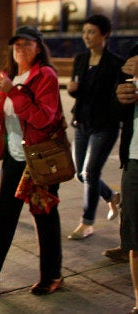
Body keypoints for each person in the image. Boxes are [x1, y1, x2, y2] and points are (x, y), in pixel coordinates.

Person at [0, 26, 64, 295]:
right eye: (16, 44)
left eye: (27, 44)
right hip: (13, 156)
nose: (20, 48)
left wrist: (13, 92)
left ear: (39, 47)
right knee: (1, 216)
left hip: (39, 158)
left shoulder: (45, 76)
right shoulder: (8, 76)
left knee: (44, 216)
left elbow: (44, 118)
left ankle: (52, 275)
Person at [66, 14, 124, 240]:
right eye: (84, 32)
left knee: (90, 172)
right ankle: (112, 196)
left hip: (104, 126)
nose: (86, 37)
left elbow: (116, 98)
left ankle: (87, 222)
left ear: (104, 34)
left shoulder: (115, 64)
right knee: (80, 174)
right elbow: (78, 90)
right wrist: (72, 89)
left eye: (91, 32)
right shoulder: (80, 59)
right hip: (81, 123)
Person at [114, 45, 138, 313]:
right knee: (134, 237)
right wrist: (119, 96)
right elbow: (117, 112)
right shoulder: (133, 54)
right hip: (135, 158)